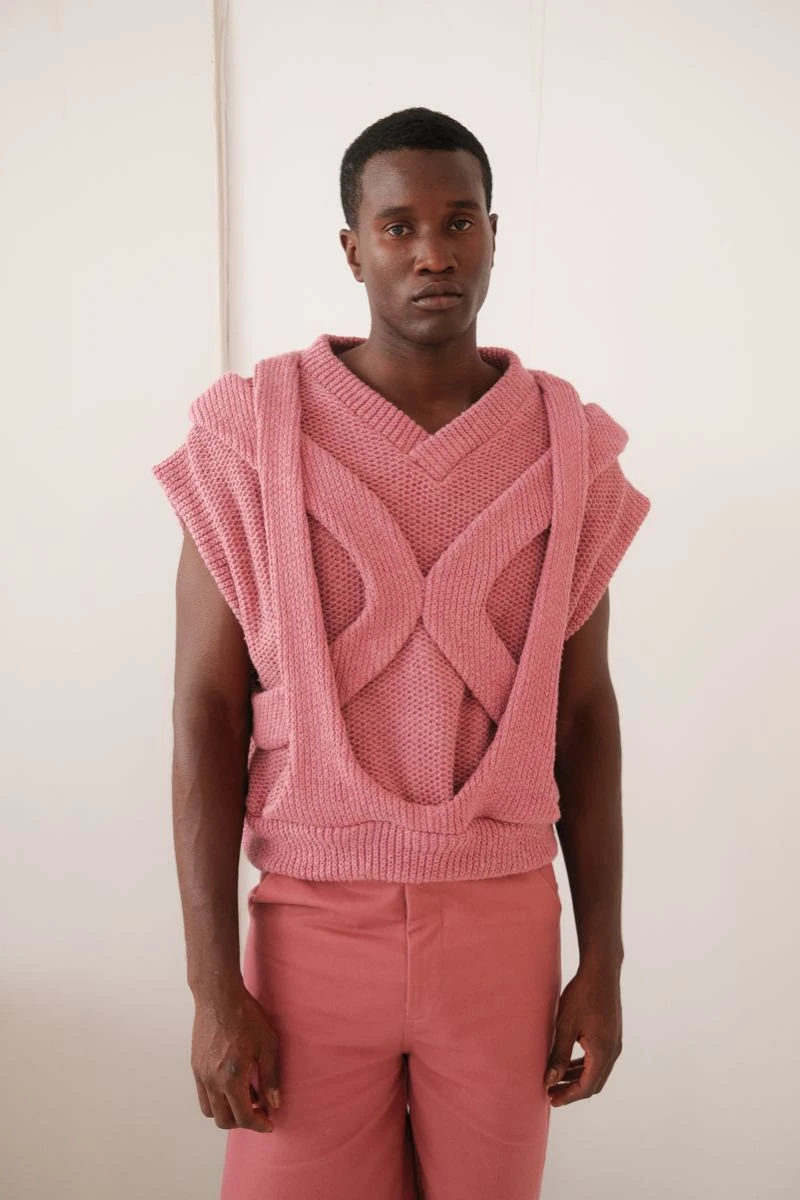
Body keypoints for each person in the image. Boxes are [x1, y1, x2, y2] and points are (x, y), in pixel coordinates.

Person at [152, 106, 651, 1200]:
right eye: (398, 226)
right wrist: (211, 989)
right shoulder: (251, 438)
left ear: (493, 234)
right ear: (352, 247)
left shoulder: (567, 449)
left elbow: (582, 718)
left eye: (459, 221)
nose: (433, 252)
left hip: (503, 929)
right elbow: (206, 713)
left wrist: (603, 962)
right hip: (306, 933)